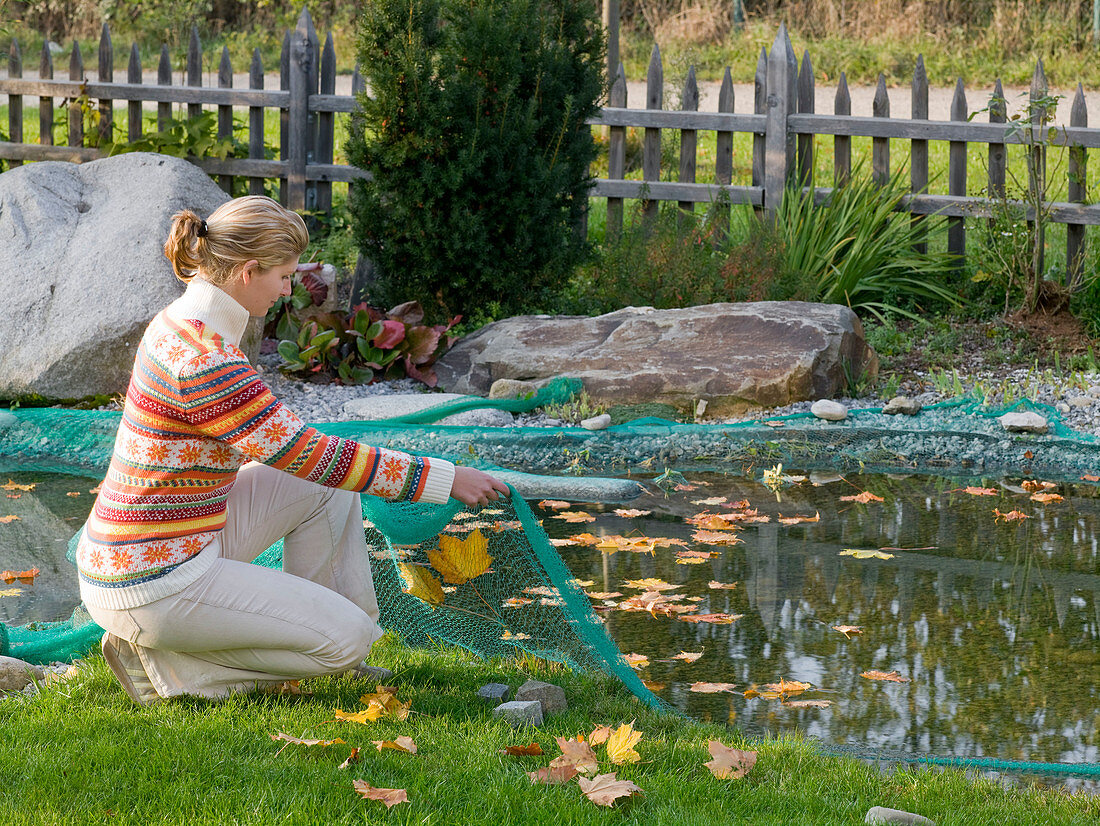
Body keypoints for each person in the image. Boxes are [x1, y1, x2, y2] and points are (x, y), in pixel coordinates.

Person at [75, 195, 509, 705]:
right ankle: (180, 668)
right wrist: (444, 479)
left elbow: (304, 461)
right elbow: (309, 453)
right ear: (246, 271)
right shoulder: (205, 359)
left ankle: (335, 644)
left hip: (165, 544)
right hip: (151, 579)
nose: (287, 291)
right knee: (341, 638)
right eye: (283, 276)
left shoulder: (184, 321)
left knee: (325, 492)